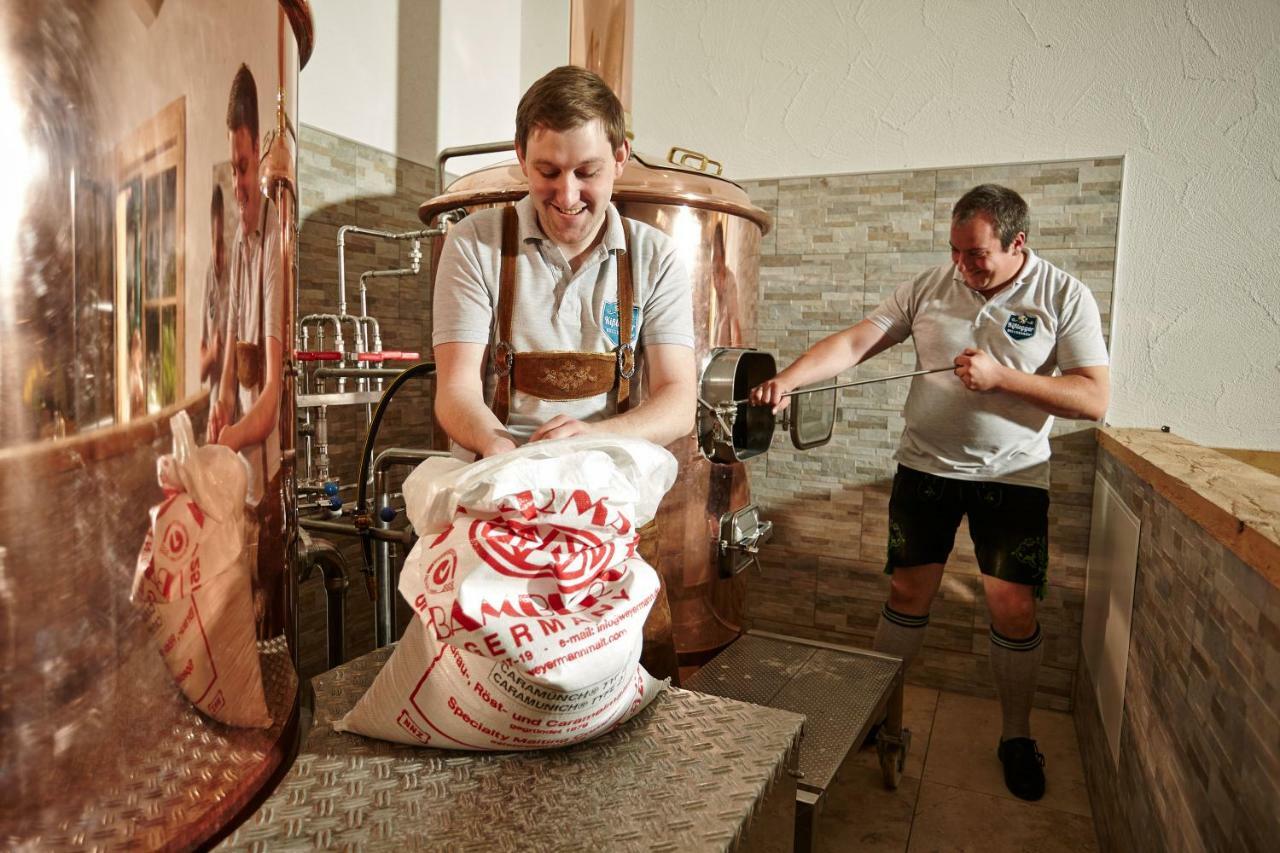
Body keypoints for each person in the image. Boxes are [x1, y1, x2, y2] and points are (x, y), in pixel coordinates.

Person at [751, 184, 1109, 801]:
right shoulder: (930, 286)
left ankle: (1017, 736)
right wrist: (789, 379)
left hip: (1013, 478)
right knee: (906, 591)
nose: (962, 266)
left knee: (1013, 608)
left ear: (1017, 243)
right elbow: (856, 341)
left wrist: (1005, 379)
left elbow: (1094, 398)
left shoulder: (1062, 295)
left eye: (975, 255)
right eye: (954, 251)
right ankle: (880, 714)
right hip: (924, 471)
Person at [431, 65, 695, 681]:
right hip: (496, 508)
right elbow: (456, 391)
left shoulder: (653, 257)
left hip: (605, 511)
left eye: (588, 172)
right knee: (489, 687)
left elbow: (680, 400)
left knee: (617, 687)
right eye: (548, 171)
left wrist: (594, 437)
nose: (568, 195)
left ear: (620, 158)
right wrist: (503, 455)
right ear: (522, 156)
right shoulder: (474, 244)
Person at [208, 63, 285, 638]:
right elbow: (236, 342)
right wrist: (218, 401)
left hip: (273, 470)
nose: (237, 184)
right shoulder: (238, 235)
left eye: (241, 167)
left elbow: (273, 402)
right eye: (232, 167)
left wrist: (226, 441)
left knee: (268, 623)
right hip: (242, 469)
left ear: (260, 156)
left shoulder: (279, 232)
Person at [199, 184, 229, 412]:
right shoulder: (208, 279)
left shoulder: (236, 277)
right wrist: (213, 353)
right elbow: (201, 372)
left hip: (239, 407)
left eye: (221, 244)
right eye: (214, 243)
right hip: (214, 409)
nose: (217, 253)